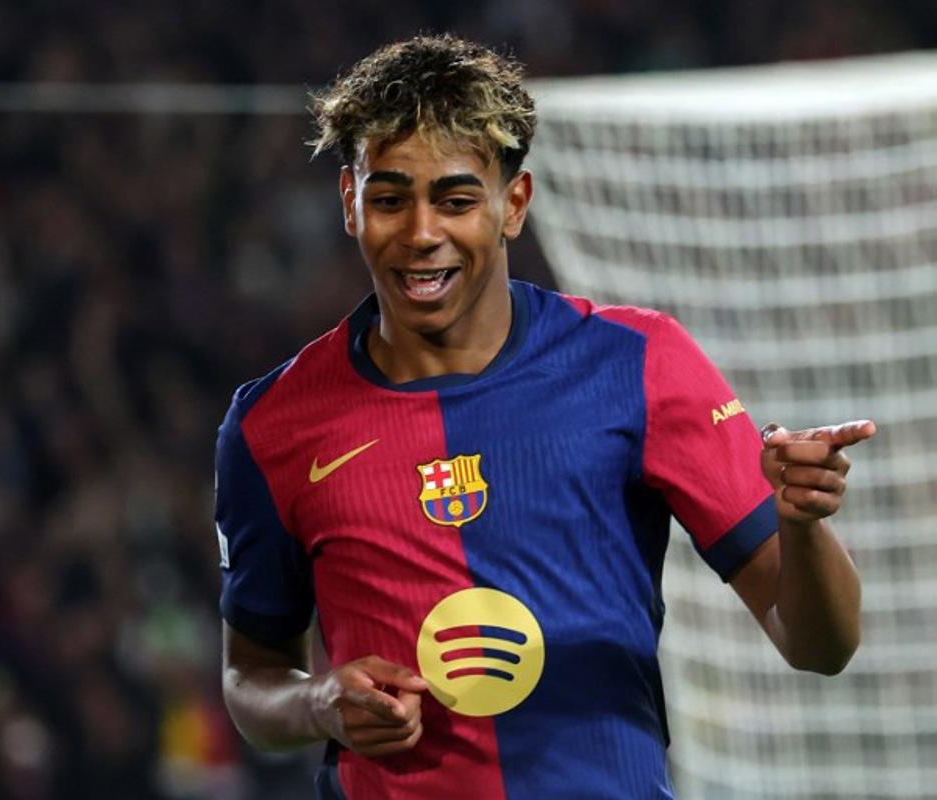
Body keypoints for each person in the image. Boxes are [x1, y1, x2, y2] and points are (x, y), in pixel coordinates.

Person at [214, 34, 875, 799]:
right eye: (390, 198)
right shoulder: (272, 426)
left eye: (457, 200)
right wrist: (317, 702)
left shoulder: (640, 364)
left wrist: (801, 523)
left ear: (513, 204)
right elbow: (250, 677)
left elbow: (822, 646)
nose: (422, 232)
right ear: (349, 204)